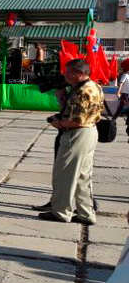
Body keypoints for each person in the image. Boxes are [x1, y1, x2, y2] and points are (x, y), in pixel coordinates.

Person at [39, 58, 104, 225]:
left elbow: (77, 120)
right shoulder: (94, 86)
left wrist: (57, 123)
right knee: (83, 177)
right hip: (90, 132)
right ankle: (86, 213)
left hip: (76, 134)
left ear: (80, 74)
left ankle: (61, 212)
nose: (65, 75)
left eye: (69, 72)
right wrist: (62, 97)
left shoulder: (82, 92)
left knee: (65, 175)